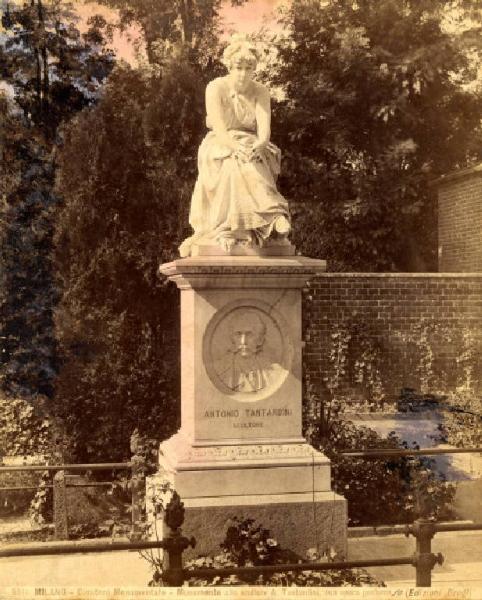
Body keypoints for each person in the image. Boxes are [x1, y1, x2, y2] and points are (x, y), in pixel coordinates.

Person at [179, 34, 291, 257]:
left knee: (255, 158)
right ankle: (263, 217)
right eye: (239, 67)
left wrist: (260, 144)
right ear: (230, 66)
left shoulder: (260, 91)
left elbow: (264, 127)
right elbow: (219, 127)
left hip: (252, 141)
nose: (243, 73)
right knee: (232, 163)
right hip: (221, 141)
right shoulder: (215, 87)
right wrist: (233, 146)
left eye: (249, 68)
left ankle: (266, 218)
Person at [213, 309, 284, 393]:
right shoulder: (219, 370)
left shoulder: (274, 373)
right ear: (232, 339)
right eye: (238, 334)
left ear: (260, 339)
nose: (243, 341)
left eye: (249, 334)